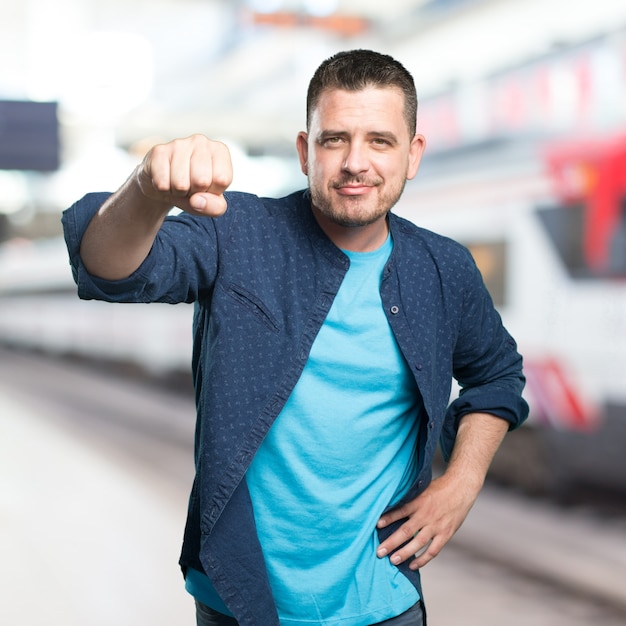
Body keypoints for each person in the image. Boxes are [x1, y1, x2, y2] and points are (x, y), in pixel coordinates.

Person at [62, 49, 528, 626]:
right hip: (239, 597)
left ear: (413, 155)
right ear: (306, 151)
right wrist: (146, 189)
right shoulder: (237, 234)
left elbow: (497, 376)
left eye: (380, 141)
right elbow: (108, 269)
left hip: (384, 603)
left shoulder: (444, 269)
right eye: (335, 140)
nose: (356, 162)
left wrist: (463, 479)